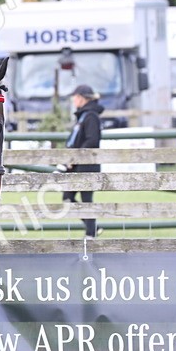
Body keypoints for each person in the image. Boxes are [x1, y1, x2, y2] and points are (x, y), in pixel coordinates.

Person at [59, 84, 103, 239]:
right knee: (68, 197)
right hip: (78, 165)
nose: (74, 100)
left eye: (76, 97)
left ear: (83, 98)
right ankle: (92, 228)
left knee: (85, 199)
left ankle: (91, 233)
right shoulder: (84, 116)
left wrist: (75, 156)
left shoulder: (90, 116)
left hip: (87, 164)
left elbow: (92, 140)